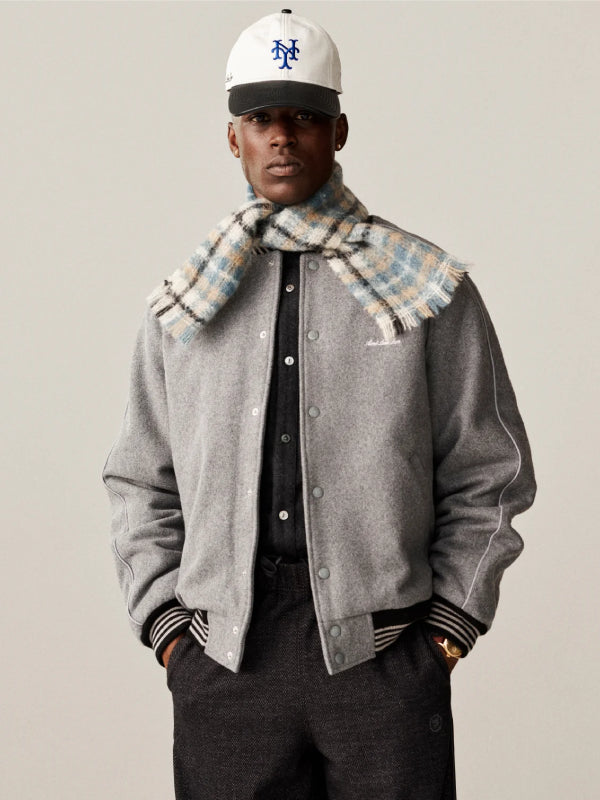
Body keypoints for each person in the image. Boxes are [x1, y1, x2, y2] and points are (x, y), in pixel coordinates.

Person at [102, 9, 536, 799]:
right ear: (232, 138)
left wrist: (445, 634)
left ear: (338, 131)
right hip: (226, 663)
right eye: (261, 119)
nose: (282, 137)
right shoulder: (186, 302)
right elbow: (138, 479)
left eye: (303, 117)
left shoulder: (426, 289)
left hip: (383, 660)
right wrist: (170, 633)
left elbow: (492, 473)